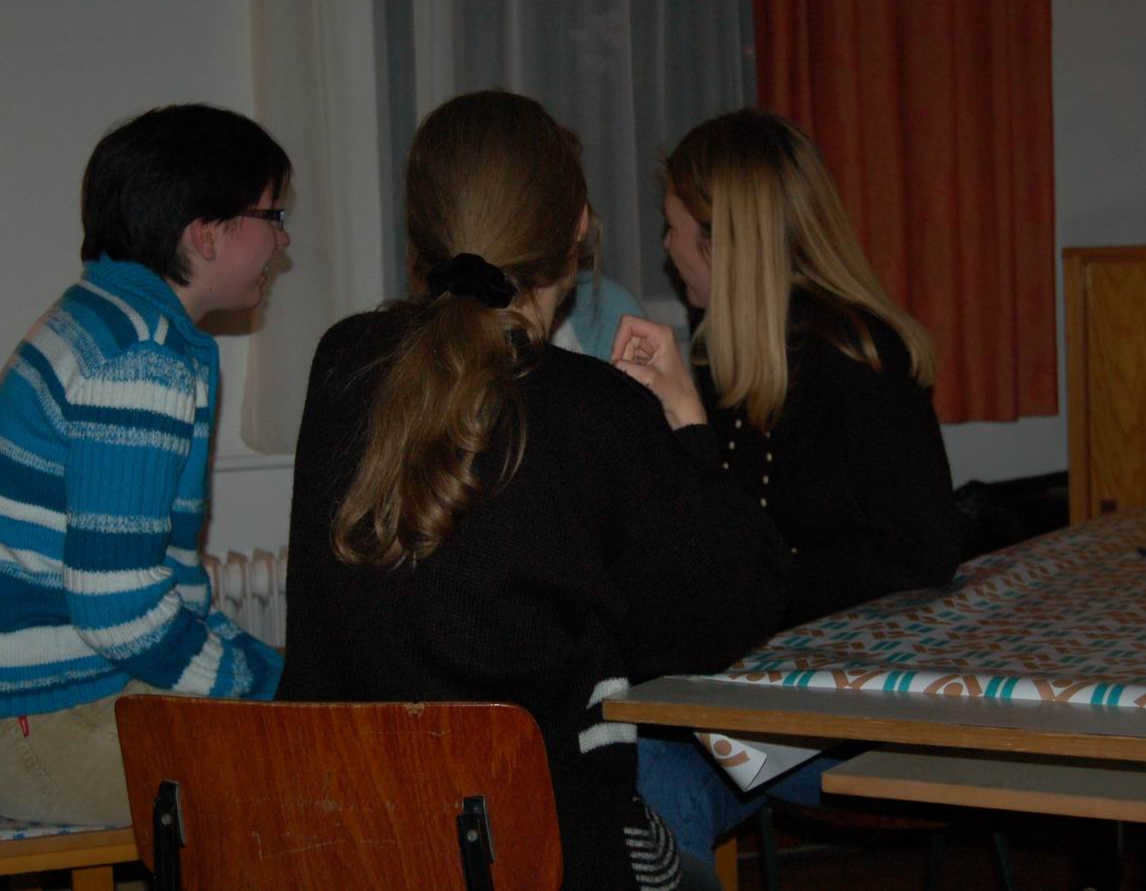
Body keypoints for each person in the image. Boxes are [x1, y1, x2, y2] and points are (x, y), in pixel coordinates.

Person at [277, 90, 791, 891]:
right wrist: (688, 428)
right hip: (534, 854)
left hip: (341, 849)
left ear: (423, 230)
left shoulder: (343, 363)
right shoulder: (594, 409)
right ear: (578, 226)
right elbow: (725, 623)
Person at [0, 104, 292, 827]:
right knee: (309, 790)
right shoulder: (139, 358)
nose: (282, 240)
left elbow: (165, 583)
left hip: (49, 705)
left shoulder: (109, 319)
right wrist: (261, 683)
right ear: (208, 232)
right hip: (41, 726)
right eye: (272, 215)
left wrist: (278, 673)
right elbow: (118, 604)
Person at [635, 108, 962, 865]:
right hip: (758, 708)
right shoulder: (718, 360)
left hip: (855, 719)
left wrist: (761, 588)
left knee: (649, 762)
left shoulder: (859, 360)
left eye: (673, 229)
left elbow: (923, 555)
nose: (666, 249)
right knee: (639, 762)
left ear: (723, 243)